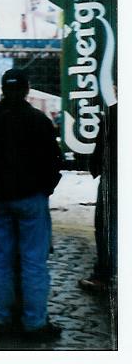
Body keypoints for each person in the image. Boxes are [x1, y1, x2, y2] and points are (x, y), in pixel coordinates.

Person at [0, 68, 62, 342]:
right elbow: (53, 162)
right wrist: (45, 189)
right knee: (34, 261)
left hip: (1, 200)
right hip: (32, 199)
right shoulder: (38, 120)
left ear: (3, 89)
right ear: (26, 89)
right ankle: (34, 323)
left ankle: (2, 319)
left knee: (2, 258)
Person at [78, 100, 117, 294]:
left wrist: (94, 167)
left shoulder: (113, 113)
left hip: (114, 177)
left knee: (106, 228)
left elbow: (101, 146)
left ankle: (103, 276)